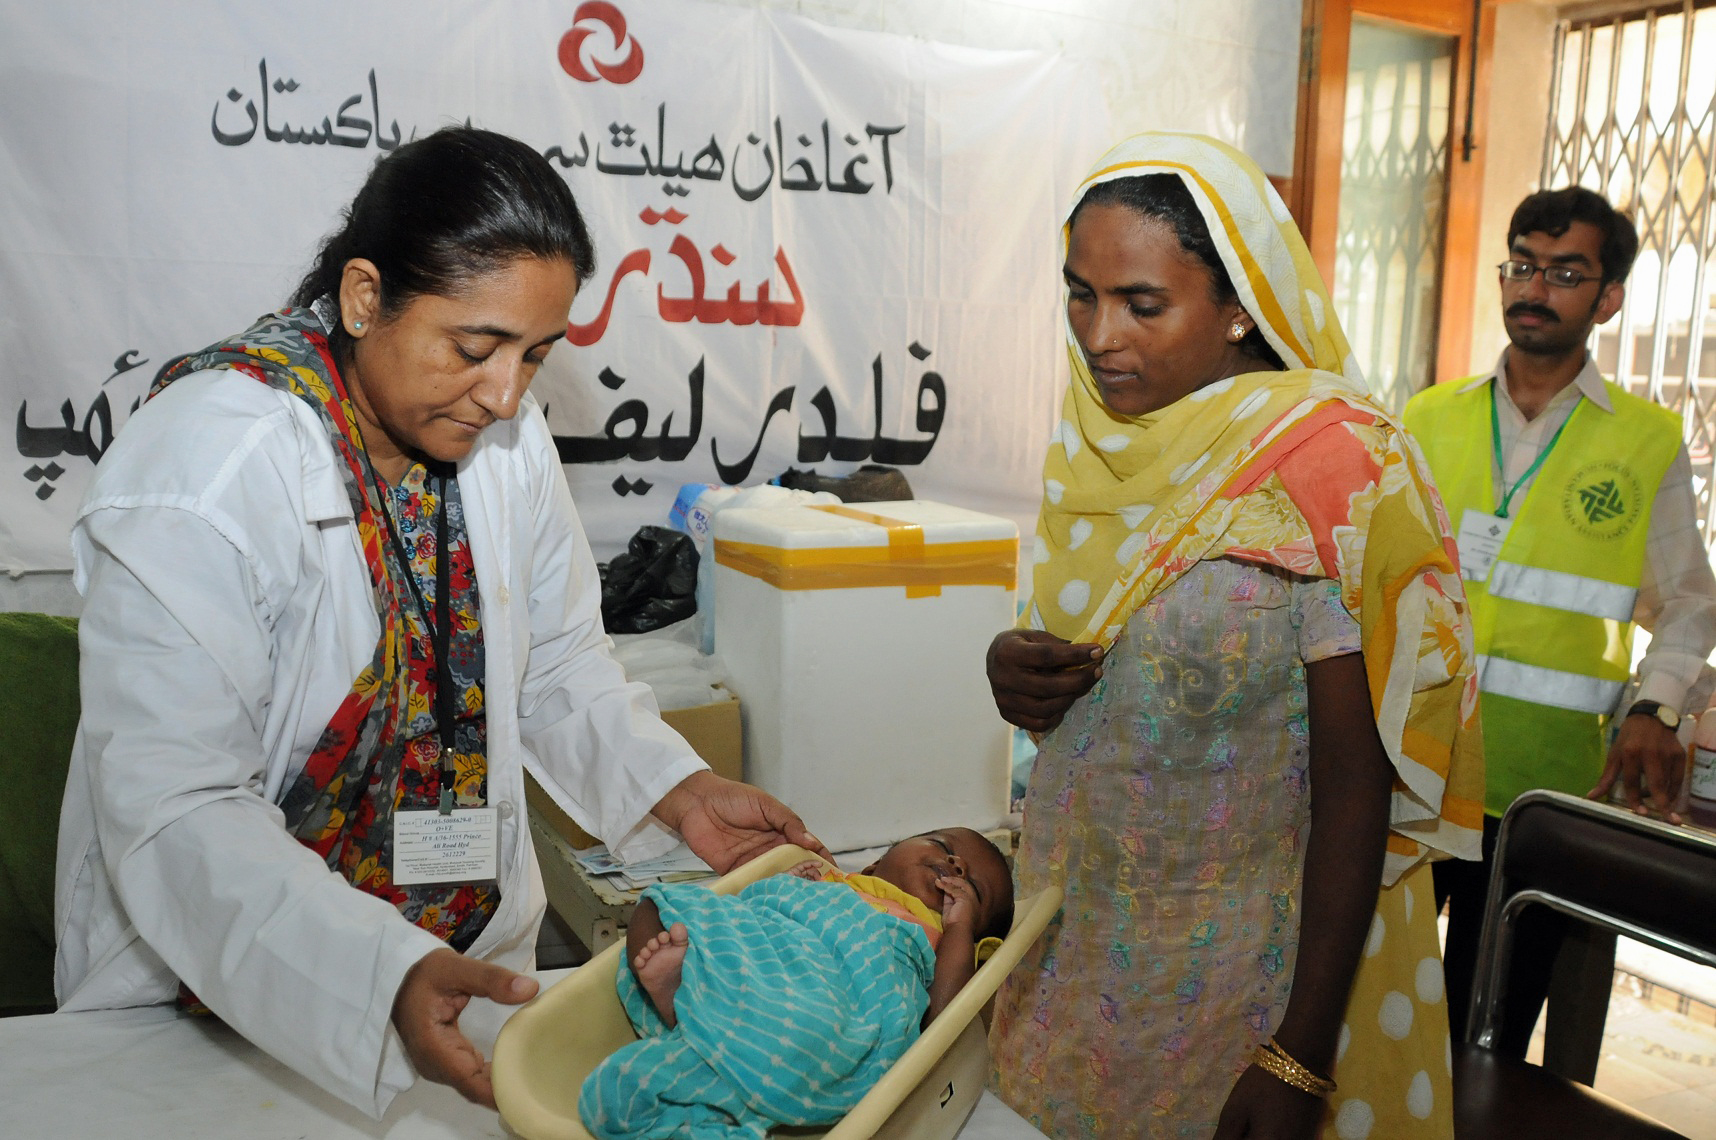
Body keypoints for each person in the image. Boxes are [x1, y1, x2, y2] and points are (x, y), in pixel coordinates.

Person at [53, 126, 825, 1117]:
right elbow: (176, 806)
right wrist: (376, 976)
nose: (507, 394)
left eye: (536, 355)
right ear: (366, 298)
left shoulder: (500, 432)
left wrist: (676, 792)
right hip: (210, 1006)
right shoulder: (204, 467)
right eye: (477, 347)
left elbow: (553, 671)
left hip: (461, 986)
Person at [983, 132, 1484, 1140]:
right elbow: (1107, 644)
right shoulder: (1102, 444)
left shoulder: (1333, 464)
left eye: (1141, 303)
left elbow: (1358, 785)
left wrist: (1299, 1053)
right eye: (1080, 293)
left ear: (1241, 302)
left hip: (1238, 990)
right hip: (1073, 961)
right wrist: (1012, 669)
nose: (1098, 334)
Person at [1403, 187, 1716, 1072]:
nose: (1535, 289)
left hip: (1545, 798)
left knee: (1482, 1037)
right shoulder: (1429, 417)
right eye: (1523, 266)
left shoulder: (1646, 442)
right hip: (1419, 776)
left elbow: (1692, 598)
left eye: (1566, 272)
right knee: (1385, 1016)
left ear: (1607, 297)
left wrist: (1655, 708)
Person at [579, 828, 1014, 1139]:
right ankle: (689, 995)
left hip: (833, 992)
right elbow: (756, 909)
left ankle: (694, 1005)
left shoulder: (935, 934)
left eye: (973, 886)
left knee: (618, 1091)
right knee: (664, 902)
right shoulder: (834, 882)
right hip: (764, 956)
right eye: (943, 845)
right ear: (875, 864)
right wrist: (792, 885)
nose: (956, 865)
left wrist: (958, 929)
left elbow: (942, 1017)